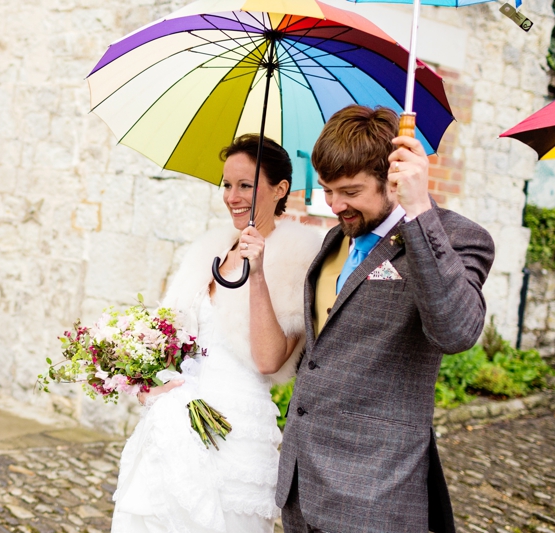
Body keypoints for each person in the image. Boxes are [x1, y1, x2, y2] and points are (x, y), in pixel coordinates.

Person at [276, 105, 496, 533]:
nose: (336, 205)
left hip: (374, 493)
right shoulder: (335, 238)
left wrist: (419, 214)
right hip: (302, 483)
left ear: (392, 179)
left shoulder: (458, 239)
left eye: (351, 191)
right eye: (327, 189)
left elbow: (457, 331)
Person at [111, 134, 322, 533]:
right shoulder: (208, 250)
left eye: (246, 185)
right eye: (227, 184)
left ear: (280, 190)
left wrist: (257, 275)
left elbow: (269, 360)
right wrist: (152, 379)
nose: (232, 196)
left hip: (234, 430)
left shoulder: (297, 257)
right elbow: (175, 339)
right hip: (173, 426)